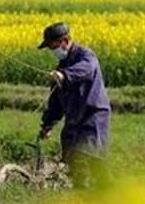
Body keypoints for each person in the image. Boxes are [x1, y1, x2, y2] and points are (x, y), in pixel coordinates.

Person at [37, 22, 111, 188]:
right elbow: (55, 102)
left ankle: (96, 193)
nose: (52, 49)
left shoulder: (85, 55)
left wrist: (64, 75)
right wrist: (47, 125)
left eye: (53, 45)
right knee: (72, 156)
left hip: (93, 115)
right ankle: (85, 194)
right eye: (49, 46)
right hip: (74, 118)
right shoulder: (60, 68)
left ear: (66, 40)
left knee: (87, 155)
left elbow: (87, 69)